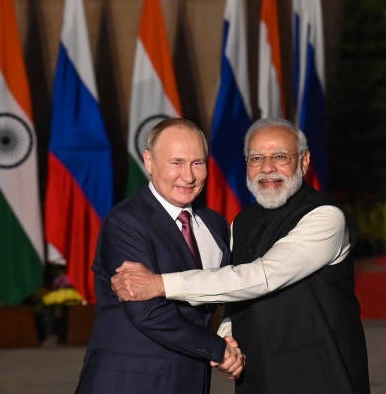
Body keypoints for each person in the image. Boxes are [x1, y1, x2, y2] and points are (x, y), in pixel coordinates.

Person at [111, 117, 370, 394]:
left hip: (322, 377)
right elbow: (234, 296)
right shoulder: (241, 222)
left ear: (304, 162)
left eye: (280, 157)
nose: (267, 168)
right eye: (256, 158)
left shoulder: (326, 217)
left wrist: (160, 284)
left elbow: (262, 276)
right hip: (258, 376)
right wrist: (226, 336)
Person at [75, 118, 244, 394]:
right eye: (176, 162)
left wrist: (227, 334)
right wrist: (218, 349)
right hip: (129, 382)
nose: (188, 176)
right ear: (149, 162)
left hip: (191, 381)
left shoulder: (216, 225)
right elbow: (148, 312)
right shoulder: (125, 222)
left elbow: (224, 290)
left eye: (197, 163)